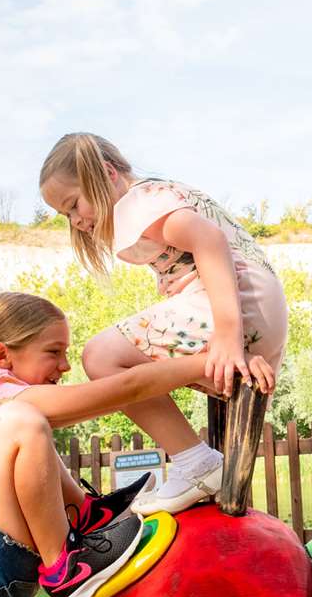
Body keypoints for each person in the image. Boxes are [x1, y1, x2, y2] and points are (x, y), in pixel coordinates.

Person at [0, 292, 205, 597]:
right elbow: (124, 389)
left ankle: (86, 515)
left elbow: (108, 400)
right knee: (23, 421)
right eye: (54, 352)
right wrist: (202, 363)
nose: (66, 365)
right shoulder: (1, 395)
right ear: (3, 354)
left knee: (32, 423)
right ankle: (65, 568)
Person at [39, 133, 285, 516]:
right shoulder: (154, 197)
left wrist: (227, 335)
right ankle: (197, 462)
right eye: (65, 215)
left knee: (101, 356)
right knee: (123, 353)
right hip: (253, 308)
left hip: (235, 306)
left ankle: (197, 464)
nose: (76, 220)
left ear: (106, 174)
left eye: (74, 205)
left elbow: (210, 240)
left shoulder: (137, 203)